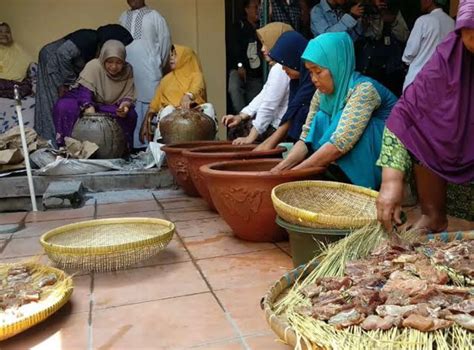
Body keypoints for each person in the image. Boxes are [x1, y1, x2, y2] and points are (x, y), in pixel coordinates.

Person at [376, 0, 474, 234]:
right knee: (423, 134)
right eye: (471, 38)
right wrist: (391, 182)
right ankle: (433, 216)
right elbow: (404, 116)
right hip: (456, 173)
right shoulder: (448, 62)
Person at [272, 32, 397, 190]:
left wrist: (294, 174)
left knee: (349, 121)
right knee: (321, 118)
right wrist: (279, 170)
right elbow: (306, 138)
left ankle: (360, 185)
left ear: (337, 65)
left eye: (318, 71)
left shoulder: (364, 90)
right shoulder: (320, 94)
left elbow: (339, 144)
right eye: (310, 72)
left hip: (387, 160)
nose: (313, 79)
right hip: (344, 151)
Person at [53, 40, 137, 149]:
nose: (114, 67)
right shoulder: (94, 66)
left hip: (104, 105)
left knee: (130, 114)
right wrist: (89, 109)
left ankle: (118, 150)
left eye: (119, 62)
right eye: (110, 62)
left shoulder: (127, 70)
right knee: (64, 106)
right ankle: (69, 147)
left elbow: (128, 94)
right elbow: (84, 93)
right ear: (103, 59)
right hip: (83, 100)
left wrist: (124, 107)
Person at [222, 22, 293, 144]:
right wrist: (242, 115)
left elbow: (268, 106)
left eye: (266, 43)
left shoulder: (280, 69)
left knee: (236, 133)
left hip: (277, 128)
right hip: (275, 124)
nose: (262, 49)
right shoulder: (279, 66)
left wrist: (250, 137)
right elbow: (265, 94)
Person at [119, 0, 171, 150]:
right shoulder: (122, 17)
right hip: (128, 73)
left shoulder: (155, 16)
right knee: (130, 105)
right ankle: (132, 149)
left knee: (150, 107)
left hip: (149, 72)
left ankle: (150, 150)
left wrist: (155, 63)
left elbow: (165, 44)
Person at [34, 29, 99, 144]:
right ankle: (50, 142)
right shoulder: (91, 38)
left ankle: (47, 139)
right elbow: (63, 53)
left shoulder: (92, 42)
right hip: (51, 60)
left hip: (52, 59)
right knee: (53, 102)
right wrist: (67, 83)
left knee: (49, 101)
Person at [140, 45, 216, 143]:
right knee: (167, 110)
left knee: (209, 107)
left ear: (186, 58)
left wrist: (188, 96)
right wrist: (145, 124)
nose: (171, 58)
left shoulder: (196, 75)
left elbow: (197, 88)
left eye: (175, 55)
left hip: (194, 115)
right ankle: (162, 147)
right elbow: (154, 105)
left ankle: (207, 145)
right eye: (171, 55)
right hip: (172, 119)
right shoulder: (166, 80)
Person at [254, 31, 316, 151]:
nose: (283, 69)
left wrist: (266, 146)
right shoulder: (296, 81)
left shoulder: (312, 80)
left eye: (285, 63)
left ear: (295, 59)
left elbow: (293, 113)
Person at [356, 0, 410, 96]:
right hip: (368, 67)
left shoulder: (394, 11)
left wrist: (393, 21)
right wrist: (376, 14)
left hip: (391, 69)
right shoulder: (365, 9)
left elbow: (404, 36)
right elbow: (372, 35)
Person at [401, 0, 454, 91]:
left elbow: (409, 53)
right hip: (441, 82)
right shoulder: (452, 23)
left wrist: (406, 61)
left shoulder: (423, 20)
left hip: (418, 80)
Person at [227, 0, 264, 114]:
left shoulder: (263, 26)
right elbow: (233, 48)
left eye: (260, 7)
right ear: (247, 9)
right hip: (240, 69)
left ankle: (248, 123)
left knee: (255, 105)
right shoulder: (239, 26)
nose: (258, 10)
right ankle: (240, 120)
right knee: (234, 87)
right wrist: (240, 65)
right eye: (255, 7)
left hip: (256, 74)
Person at [0, 22, 33, 99]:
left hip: (16, 82)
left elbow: (26, 61)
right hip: (2, 81)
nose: (4, 34)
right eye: (0, 31)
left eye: (7, 32)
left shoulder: (16, 47)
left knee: (27, 86)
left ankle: (12, 92)